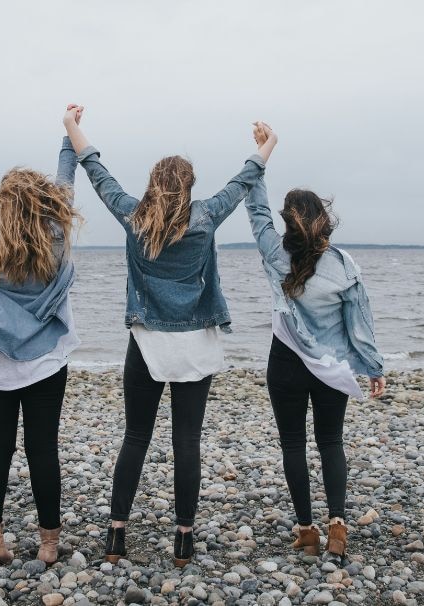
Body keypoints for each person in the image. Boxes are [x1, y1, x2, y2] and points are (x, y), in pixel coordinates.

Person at [63, 109, 278, 567]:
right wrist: (266, 143)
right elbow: (243, 182)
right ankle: (183, 538)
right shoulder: (205, 217)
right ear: (190, 186)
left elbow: (98, 173)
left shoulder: (133, 215)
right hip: (195, 344)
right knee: (187, 441)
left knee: (136, 436)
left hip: (145, 344)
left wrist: (71, 126)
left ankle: (117, 534)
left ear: (153, 184)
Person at [244, 121, 386, 558]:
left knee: (293, 444)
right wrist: (373, 367)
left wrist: (264, 153)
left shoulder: (274, 252)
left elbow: (255, 206)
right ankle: (338, 526)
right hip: (331, 367)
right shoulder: (344, 265)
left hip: (285, 363)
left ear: (288, 221)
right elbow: (359, 324)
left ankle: (306, 531)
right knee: (331, 442)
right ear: (322, 219)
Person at [0, 105, 85, 565]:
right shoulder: (55, 236)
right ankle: (49, 544)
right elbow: (66, 184)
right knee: (42, 449)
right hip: (47, 360)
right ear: (41, 204)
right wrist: (67, 134)